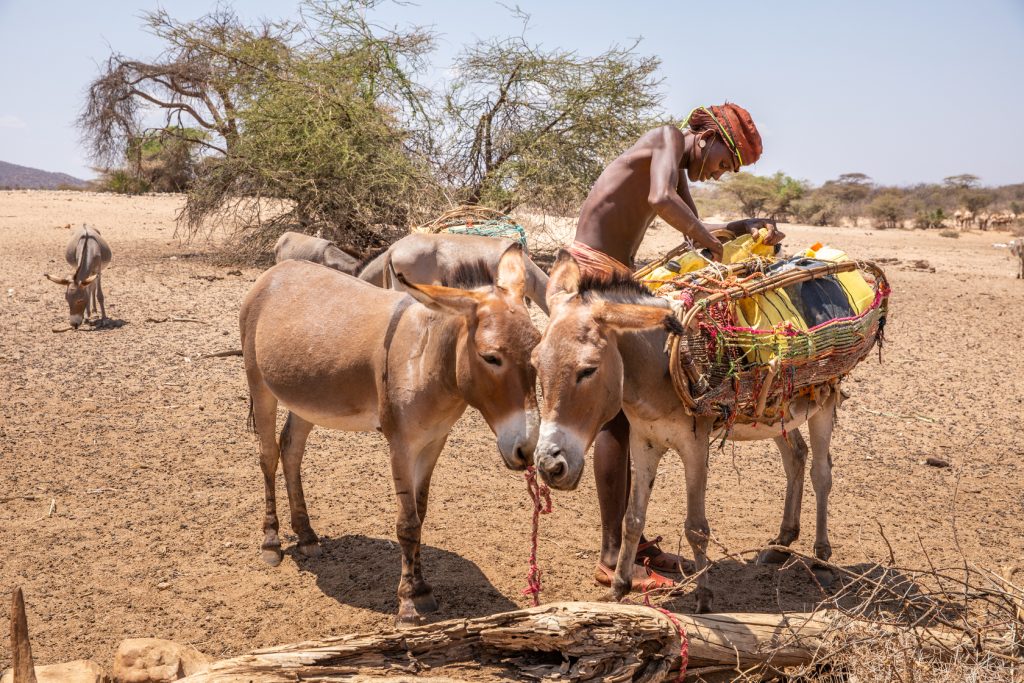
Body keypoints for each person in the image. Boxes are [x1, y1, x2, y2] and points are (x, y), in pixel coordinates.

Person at [568, 102, 785, 590]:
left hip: (615, 276)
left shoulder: (675, 160)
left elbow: (690, 227)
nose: (716, 173)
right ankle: (611, 556)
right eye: (723, 162)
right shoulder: (667, 136)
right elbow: (664, 199)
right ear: (707, 138)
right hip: (593, 275)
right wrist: (713, 242)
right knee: (619, 416)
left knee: (631, 411)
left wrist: (744, 230)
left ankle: (632, 544)